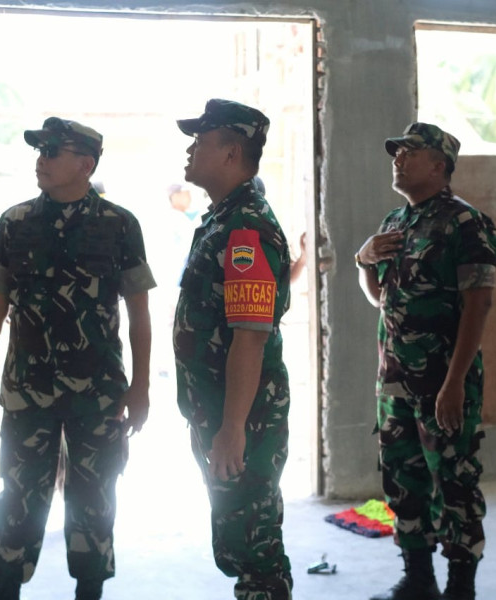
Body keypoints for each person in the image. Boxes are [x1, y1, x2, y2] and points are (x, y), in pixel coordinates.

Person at [0, 116, 156, 600]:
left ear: (86, 164)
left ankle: (89, 591)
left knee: (94, 501)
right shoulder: (16, 222)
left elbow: (140, 315)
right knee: (17, 501)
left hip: (99, 394)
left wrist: (142, 387)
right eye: (40, 151)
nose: (41, 160)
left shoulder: (120, 226)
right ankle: (5, 589)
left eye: (53, 151)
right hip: (28, 391)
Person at [356, 122, 496, 600]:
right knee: (403, 479)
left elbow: (478, 303)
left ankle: (461, 586)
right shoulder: (395, 223)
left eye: (410, 152)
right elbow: (380, 297)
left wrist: (455, 381)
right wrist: (363, 261)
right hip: (395, 380)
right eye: (395, 151)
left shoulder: (465, 224)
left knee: (455, 481)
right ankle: (418, 580)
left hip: (442, 379)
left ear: (439, 165)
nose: (397, 158)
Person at [173, 99, 294, 600]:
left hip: (244, 416)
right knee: (237, 542)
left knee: (254, 549)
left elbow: (250, 335)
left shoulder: (246, 229)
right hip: (221, 410)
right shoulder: (223, 219)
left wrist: (232, 428)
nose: (190, 148)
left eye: (200, 141)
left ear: (231, 153)